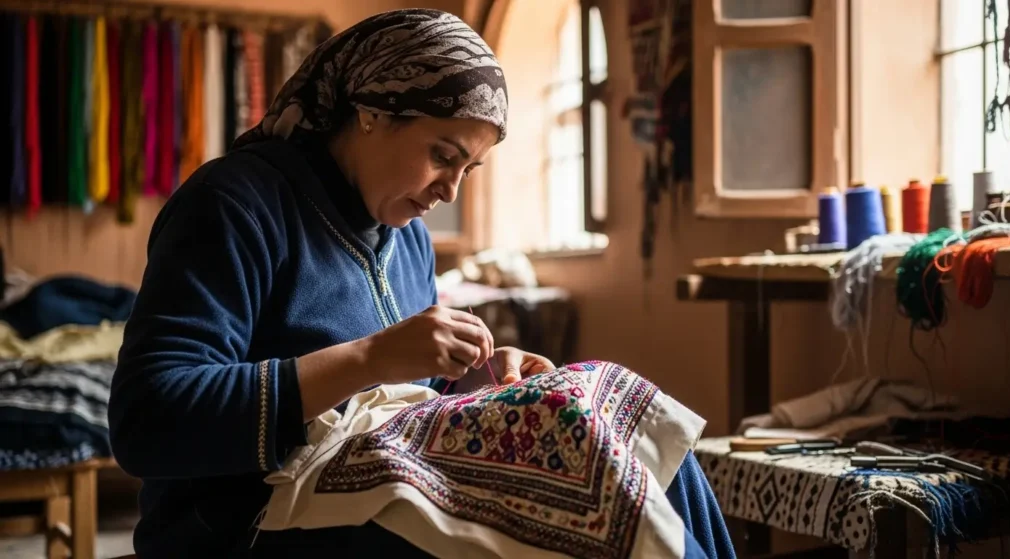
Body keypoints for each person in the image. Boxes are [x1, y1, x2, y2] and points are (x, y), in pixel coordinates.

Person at [107, 9, 736, 559]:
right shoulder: (233, 206)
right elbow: (148, 420)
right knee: (593, 501)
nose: (450, 191)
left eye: (469, 169)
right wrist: (370, 358)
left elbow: (413, 399)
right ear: (371, 113)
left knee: (633, 432)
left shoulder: (405, 237)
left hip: (378, 488)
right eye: (442, 156)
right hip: (239, 526)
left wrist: (480, 382)